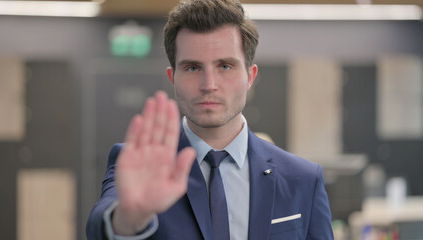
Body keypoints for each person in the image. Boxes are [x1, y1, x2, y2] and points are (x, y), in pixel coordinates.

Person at [86, 0, 334, 239]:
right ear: (173, 78)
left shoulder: (303, 179)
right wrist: (130, 219)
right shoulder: (143, 164)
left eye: (225, 66)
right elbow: (101, 223)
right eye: (193, 68)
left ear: (250, 76)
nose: (209, 85)